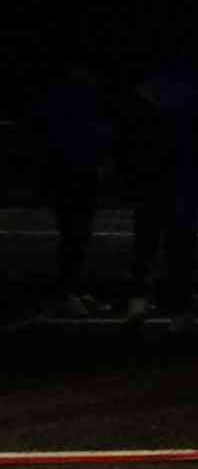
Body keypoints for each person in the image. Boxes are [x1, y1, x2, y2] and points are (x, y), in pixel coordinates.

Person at [126, 54, 198, 333]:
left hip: (155, 179)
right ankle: (179, 309)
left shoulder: (146, 95)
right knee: (180, 247)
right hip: (180, 180)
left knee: (147, 242)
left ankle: (140, 302)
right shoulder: (192, 92)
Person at [36, 63, 114, 317]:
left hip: (81, 171)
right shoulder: (68, 96)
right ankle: (66, 292)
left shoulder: (84, 95)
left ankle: (72, 289)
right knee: (74, 235)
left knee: (78, 236)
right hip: (70, 172)